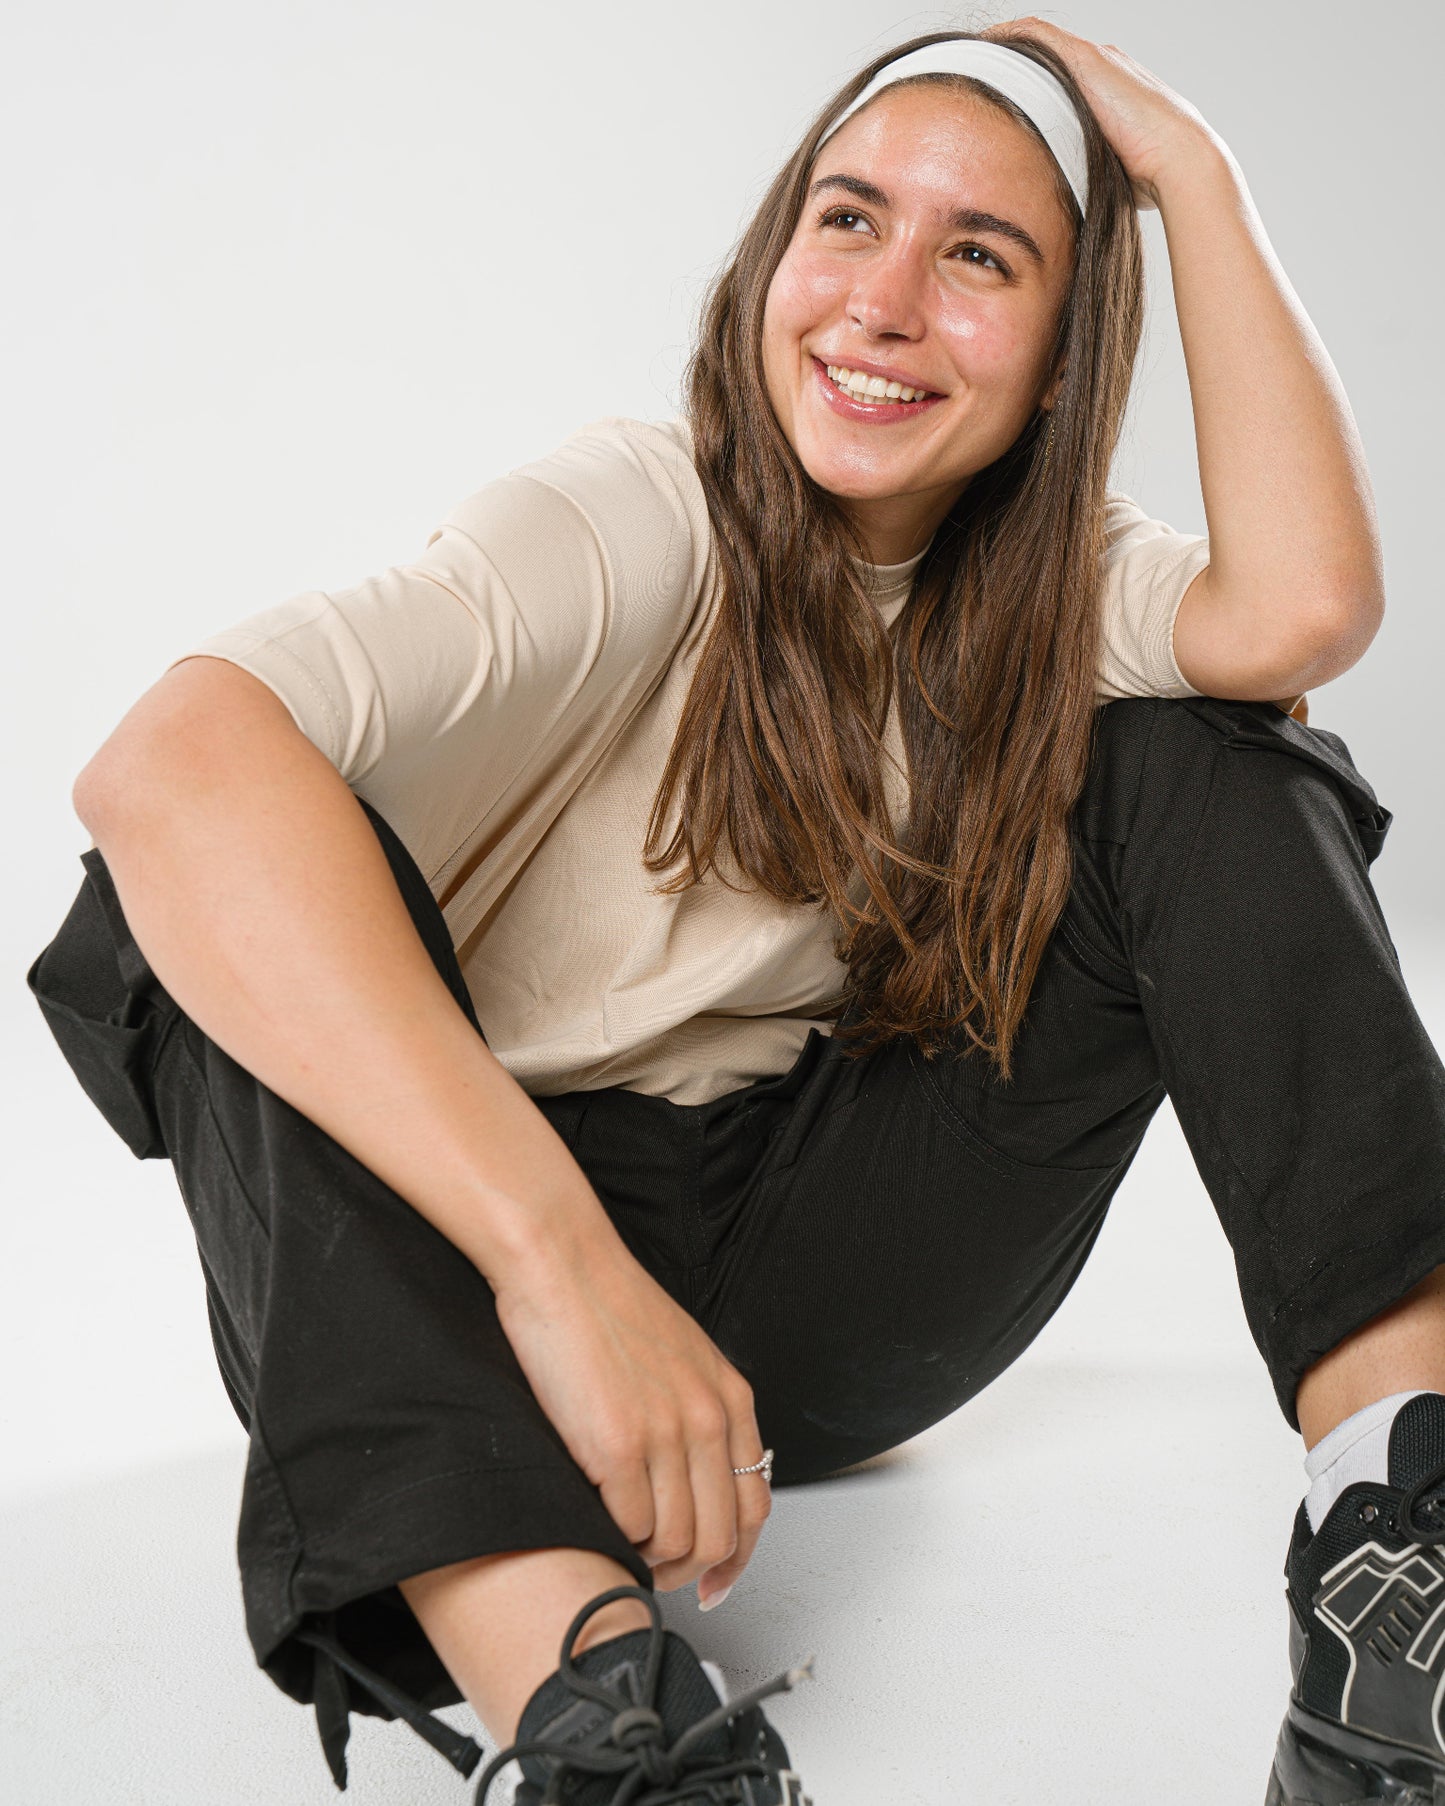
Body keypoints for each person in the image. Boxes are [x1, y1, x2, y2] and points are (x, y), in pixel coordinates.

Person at [26, 17, 1445, 1804]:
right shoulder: (635, 514)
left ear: (1065, 358)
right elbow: (162, 766)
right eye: (847, 221)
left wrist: (1193, 175)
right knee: (180, 901)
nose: (885, 299)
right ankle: (612, 1723)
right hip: (454, 1284)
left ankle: (1406, 1551)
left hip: (813, 1268)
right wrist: (556, 1270)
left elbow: (1300, 607)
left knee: (1221, 751)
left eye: (979, 256)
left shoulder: (1050, 588)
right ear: (772, 260)